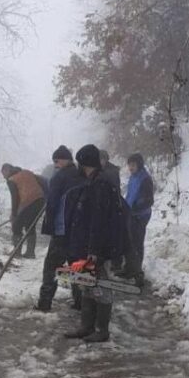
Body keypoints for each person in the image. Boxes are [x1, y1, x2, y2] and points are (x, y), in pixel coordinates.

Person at [63, 144, 129, 343]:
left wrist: (94, 249)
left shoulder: (100, 184)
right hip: (86, 245)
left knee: (100, 285)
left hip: (97, 246)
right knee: (86, 284)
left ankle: (101, 329)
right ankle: (86, 325)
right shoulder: (92, 182)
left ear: (85, 163)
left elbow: (99, 220)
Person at [35, 145, 85, 312]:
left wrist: (49, 225)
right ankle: (81, 302)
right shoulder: (81, 175)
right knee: (76, 265)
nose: (55, 164)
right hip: (78, 231)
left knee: (51, 266)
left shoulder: (60, 177)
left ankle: (45, 302)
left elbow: (53, 203)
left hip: (61, 230)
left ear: (65, 159)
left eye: (57, 161)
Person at [0, 163, 47, 259]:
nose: (4, 177)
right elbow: (43, 181)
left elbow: (15, 198)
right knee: (30, 225)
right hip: (40, 200)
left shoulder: (11, 180)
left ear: (7, 170)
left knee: (17, 226)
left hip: (29, 202)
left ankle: (17, 252)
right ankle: (30, 252)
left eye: (3, 174)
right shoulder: (27, 172)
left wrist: (14, 215)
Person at [123, 153, 154, 283]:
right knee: (129, 242)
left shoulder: (145, 179)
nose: (130, 167)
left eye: (133, 165)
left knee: (136, 243)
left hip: (141, 215)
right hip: (131, 213)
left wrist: (136, 206)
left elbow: (149, 200)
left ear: (139, 165)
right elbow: (130, 194)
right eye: (129, 165)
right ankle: (129, 269)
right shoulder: (133, 178)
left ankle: (137, 273)